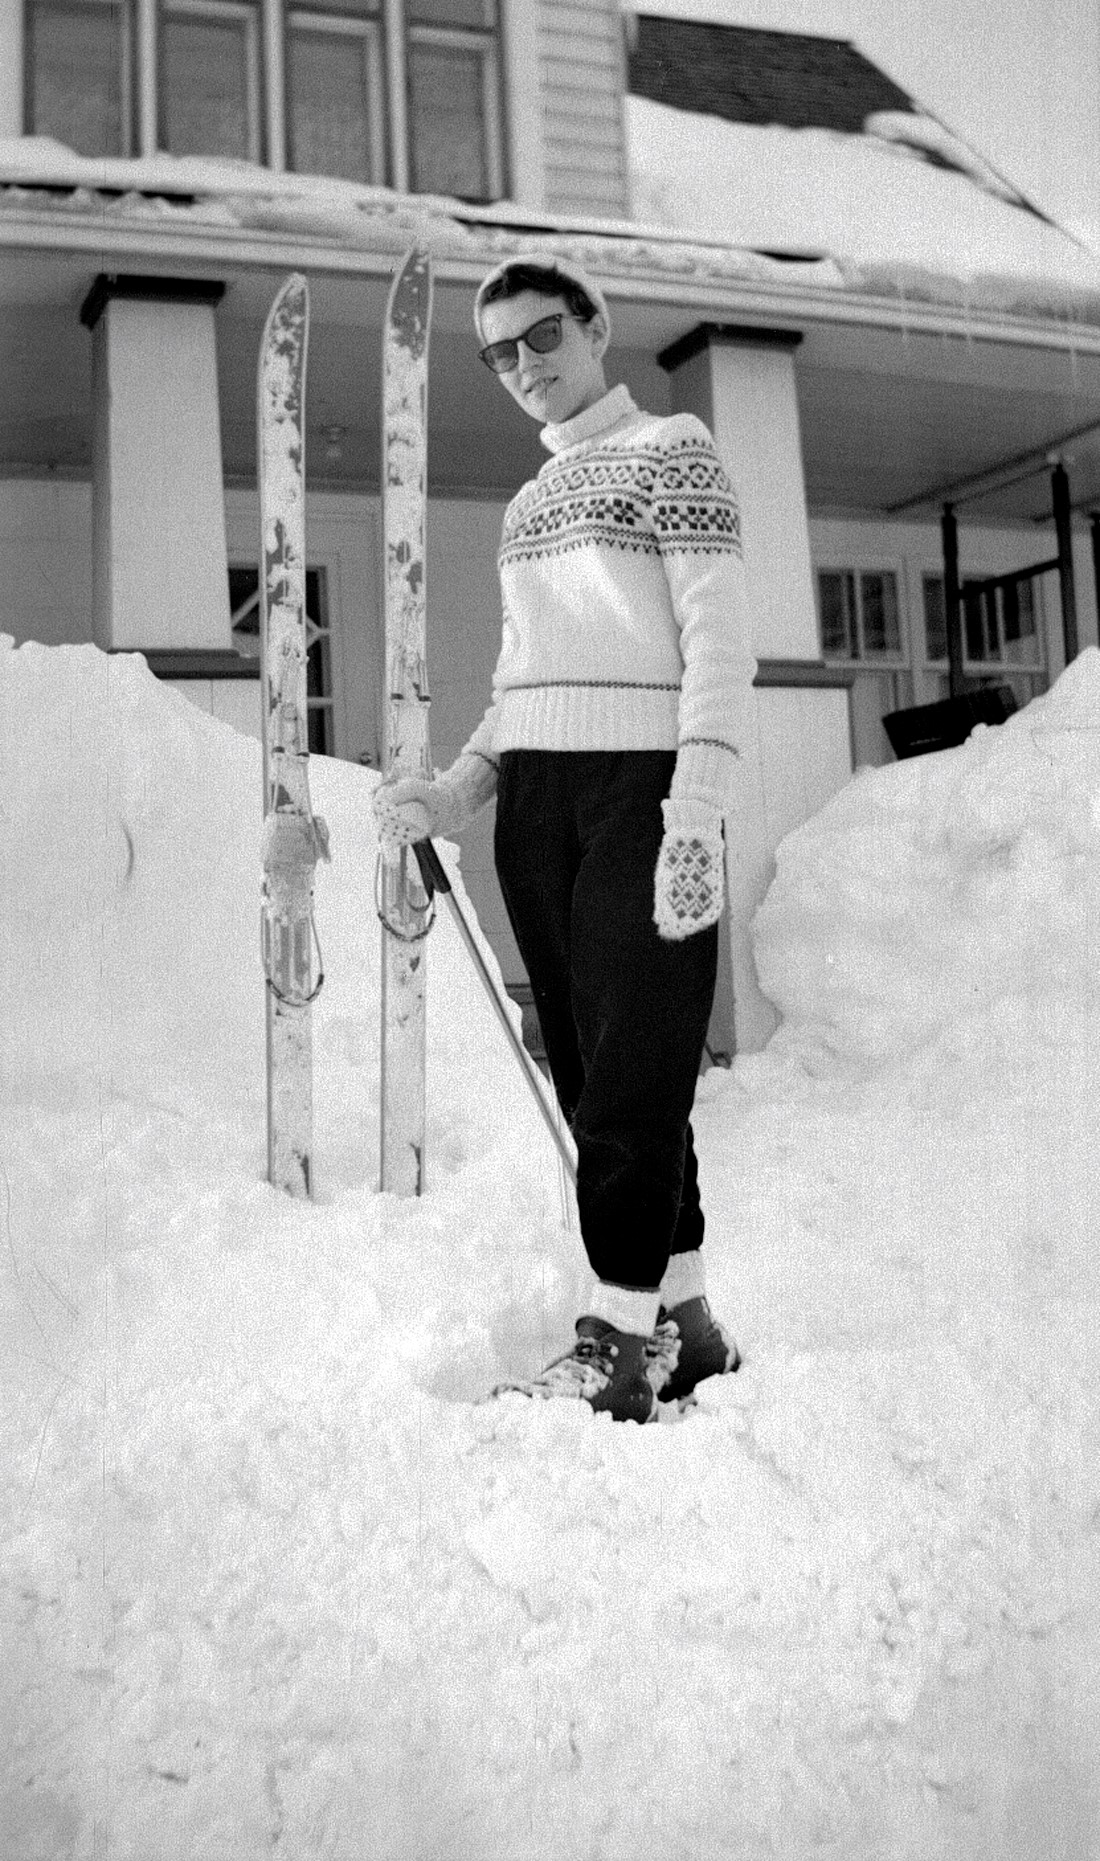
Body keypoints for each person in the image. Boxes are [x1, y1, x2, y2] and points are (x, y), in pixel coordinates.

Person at [373, 251, 757, 1422]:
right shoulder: (527, 506)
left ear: (594, 327)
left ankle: (610, 1341)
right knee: (598, 1075)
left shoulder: (671, 450)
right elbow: (518, 683)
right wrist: (455, 792)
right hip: (537, 805)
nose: (524, 367)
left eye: (542, 337)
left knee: (633, 1078)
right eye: (499, 353)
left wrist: (695, 805)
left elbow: (719, 637)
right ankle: (683, 1328)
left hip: (642, 795)